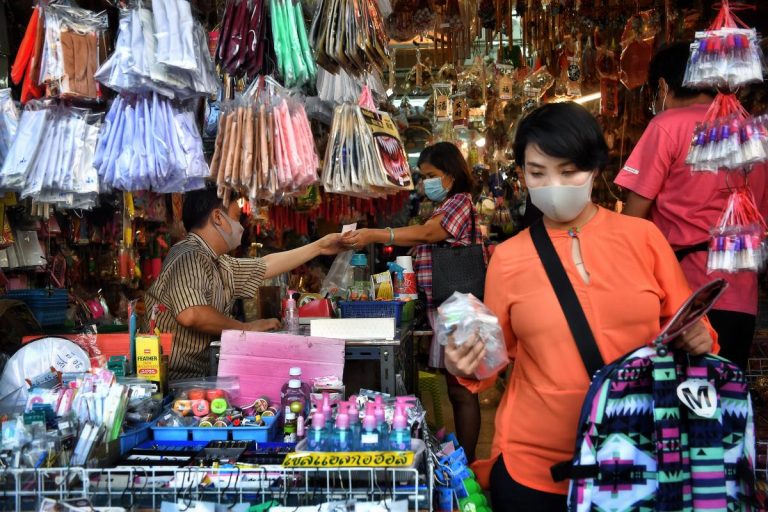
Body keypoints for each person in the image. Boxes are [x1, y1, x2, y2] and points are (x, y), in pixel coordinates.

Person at [444, 102, 718, 511]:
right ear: (522, 174)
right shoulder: (508, 257)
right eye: (537, 172)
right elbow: (492, 357)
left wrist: (699, 338)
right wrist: (465, 364)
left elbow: (698, 329)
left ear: (595, 169)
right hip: (534, 467)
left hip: (636, 458)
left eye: (568, 171)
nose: (553, 184)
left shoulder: (644, 239)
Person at [615, 42, 768, 369]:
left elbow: (631, 223)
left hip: (684, 298)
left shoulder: (668, 126)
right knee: (725, 403)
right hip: (741, 297)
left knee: (679, 405)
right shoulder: (755, 134)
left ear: (663, 86)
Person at [341, 141, 483, 462]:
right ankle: (464, 457)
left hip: (459, 307)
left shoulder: (458, 202)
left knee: (463, 390)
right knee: (457, 388)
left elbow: (428, 234)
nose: (424, 183)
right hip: (447, 307)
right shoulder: (448, 203)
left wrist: (376, 235)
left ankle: (469, 462)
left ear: (450, 174)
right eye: (422, 177)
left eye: (430, 175)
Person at [143, 183, 344, 380]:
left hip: (198, 377)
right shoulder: (188, 255)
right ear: (218, 218)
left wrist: (319, 247)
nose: (240, 226)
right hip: (173, 382)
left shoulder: (219, 262)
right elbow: (191, 314)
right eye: (237, 217)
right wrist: (245, 328)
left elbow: (265, 265)